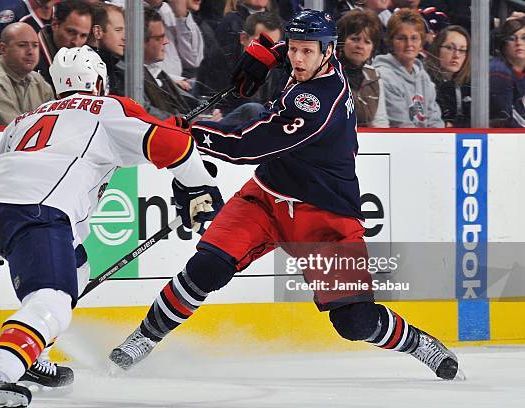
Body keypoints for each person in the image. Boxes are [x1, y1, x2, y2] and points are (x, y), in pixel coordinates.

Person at [109, 9, 460, 382]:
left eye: (306, 51)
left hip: (326, 218)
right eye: (293, 49)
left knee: (354, 321)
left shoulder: (316, 102)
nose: (297, 58)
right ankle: (143, 339)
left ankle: (421, 344)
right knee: (207, 267)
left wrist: (191, 133)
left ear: (328, 52)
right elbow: (292, 49)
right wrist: (269, 52)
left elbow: (248, 146)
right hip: (266, 198)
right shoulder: (310, 59)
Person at [0, 45, 223, 408]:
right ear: (98, 82)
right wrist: (199, 188)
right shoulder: (108, 107)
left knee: (77, 267)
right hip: (40, 210)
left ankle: (32, 355)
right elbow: (172, 144)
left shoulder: (26, 119)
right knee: (54, 300)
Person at [0, 22, 54, 125]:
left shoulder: (37, 80)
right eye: (22, 45)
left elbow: (54, 124)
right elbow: (16, 131)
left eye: (35, 45)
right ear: (3, 49)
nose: (31, 51)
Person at [373, 8, 444, 127]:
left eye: (414, 38)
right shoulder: (383, 75)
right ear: (391, 41)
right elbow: (401, 126)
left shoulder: (423, 76)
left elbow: (435, 121)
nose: (409, 44)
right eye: (401, 38)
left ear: (421, 43)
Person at [337, 8, 389, 127]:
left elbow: (380, 121)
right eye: (355, 39)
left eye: (367, 42)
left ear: (372, 49)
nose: (360, 46)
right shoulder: (329, 73)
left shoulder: (374, 76)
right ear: (342, 41)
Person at [36, 0, 94, 84]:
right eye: (71, 32)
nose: (76, 42)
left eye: (83, 36)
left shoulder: (90, 62)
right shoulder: (32, 57)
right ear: (55, 24)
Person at [424, 25, 471, 127]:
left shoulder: (469, 82)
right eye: (450, 48)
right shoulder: (424, 80)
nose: (456, 55)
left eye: (462, 50)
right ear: (437, 48)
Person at [489, 17, 525, 128]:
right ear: (503, 45)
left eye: (524, 38)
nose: (519, 43)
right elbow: (504, 120)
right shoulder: (498, 71)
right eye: (512, 38)